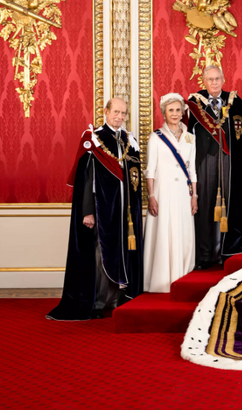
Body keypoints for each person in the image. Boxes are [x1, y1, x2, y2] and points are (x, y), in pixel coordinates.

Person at [47, 98, 143, 320]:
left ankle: (119, 299)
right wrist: (88, 211)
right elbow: (87, 179)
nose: (120, 117)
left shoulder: (128, 139)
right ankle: (100, 303)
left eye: (124, 113)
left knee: (121, 254)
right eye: (116, 112)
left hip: (124, 213)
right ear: (106, 112)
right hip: (102, 211)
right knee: (102, 255)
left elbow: (134, 178)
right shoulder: (93, 139)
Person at [187, 65, 242, 269]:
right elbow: (189, 136)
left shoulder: (234, 102)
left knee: (229, 204)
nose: (215, 83)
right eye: (210, 79)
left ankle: (227, 250)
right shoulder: (195, 102)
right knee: (207, 205)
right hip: (205, 161)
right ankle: (205, 254)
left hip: (229, 162)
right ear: (204, 82)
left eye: (218, 78)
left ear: (223, 79)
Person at [144, 93, 198, 292]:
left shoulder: (190, 138)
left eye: (178, 110)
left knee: (183, 232)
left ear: (183, 112)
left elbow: (192, 169)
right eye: (171, 110)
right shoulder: (156, 137)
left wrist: (195, 196)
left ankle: (182, 278)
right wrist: (151, 196)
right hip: (163, 191)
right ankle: (161, 281)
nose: (175, 114)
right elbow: (150, 169)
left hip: (184, 193)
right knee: (165, 232)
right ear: (164, 113)